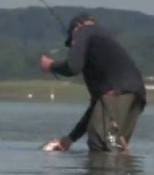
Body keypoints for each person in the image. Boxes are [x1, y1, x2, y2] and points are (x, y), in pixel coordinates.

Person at [39, 13, 147, 152]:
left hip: (116, 94)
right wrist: (70, 139)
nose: (74, 46)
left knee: (100, 142)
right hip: (136, 96)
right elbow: (97, 108)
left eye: (73, 42)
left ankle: (105, 166)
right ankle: (121, 164)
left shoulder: (84, 31)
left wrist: (51, 65)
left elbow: (73, 67)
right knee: (115, 144)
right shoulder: (102, 46)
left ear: (78, 26)